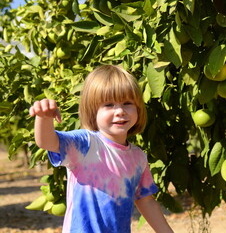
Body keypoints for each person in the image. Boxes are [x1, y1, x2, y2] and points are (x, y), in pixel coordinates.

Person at [29, 65, 174, 233]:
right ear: (93, 111)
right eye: (109, 104)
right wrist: (44, 118)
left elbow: (145, 200)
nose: (120, 111)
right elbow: (47, 142)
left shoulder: (138, 157)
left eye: (127, 103)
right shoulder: (86, 144)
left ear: (138, 109)